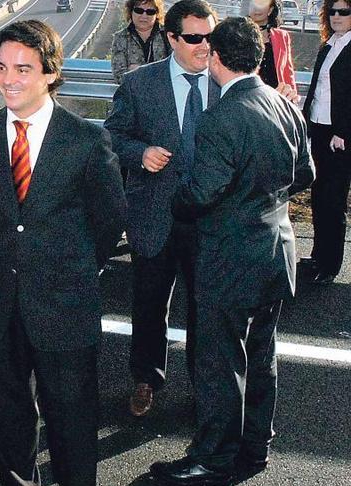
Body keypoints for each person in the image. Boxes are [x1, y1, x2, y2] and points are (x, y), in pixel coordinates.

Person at [152, 16, 314, 486]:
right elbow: (304, 175)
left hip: (229, 258)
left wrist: (180, 197)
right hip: (275, 250)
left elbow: (199, 195)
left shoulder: (221, 118)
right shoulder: (281, 105)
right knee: (262, 355)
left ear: (217, 59)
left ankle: (212, 457)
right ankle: (255, 445)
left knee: (220, 363)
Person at [0, 20, 125, 486]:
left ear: (51, 73)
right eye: (0, 68)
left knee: (71, 421)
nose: (8, 79)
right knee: (10, 417)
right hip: (1, 300)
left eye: (23, 69)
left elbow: (108, 219)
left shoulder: (85, 139)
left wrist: (71, 266)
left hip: (65, 302)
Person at [104, 0, 219, 418]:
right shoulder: (140, 84)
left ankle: (204, 388)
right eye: (193, 38)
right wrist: (140, 153)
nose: (204, 46)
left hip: (209, 220)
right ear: (171, 38)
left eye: (210, 37)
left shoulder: (228, 83)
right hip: (154, 214)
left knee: (206, 309)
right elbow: (112, 135)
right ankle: (146, 379)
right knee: (150, 304)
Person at [300, 0, 351, 284]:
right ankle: (318, 256)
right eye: (332, 11)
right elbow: (318, 90)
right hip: (319, 129)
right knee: (318, 196)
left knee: (333, 200)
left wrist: (343, 131)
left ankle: (330, 265)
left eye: (344, 11)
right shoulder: (329, 45)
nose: (336, 16)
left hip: (340, 135)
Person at [110, 0, 171, 84]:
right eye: (139, 11)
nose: (144, 15)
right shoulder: (120, 38)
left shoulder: (168, 36)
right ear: (131, 11)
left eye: (150, 12)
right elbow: (119, 75)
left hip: (163, 94)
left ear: (157, 14)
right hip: (133, 95)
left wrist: (139, 72)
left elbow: (175, 69)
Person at [248, 0, 298, 93]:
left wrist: (291, 98)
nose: (257, 9)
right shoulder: (240, 35)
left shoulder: (282, 36)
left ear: (270, 10)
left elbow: (288, 71)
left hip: (276, 95)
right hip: (249, 95)